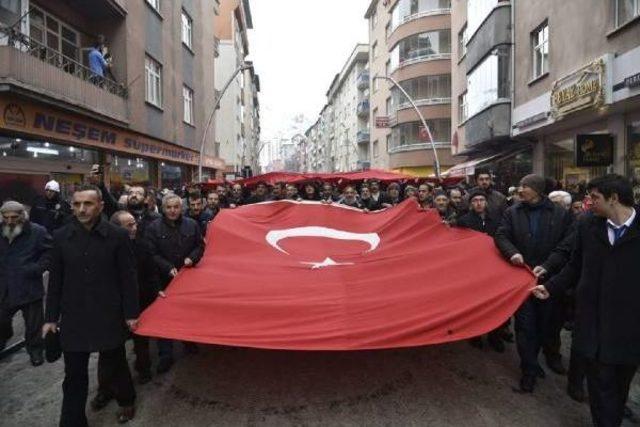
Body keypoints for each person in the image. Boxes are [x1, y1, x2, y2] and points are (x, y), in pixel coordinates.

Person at [532, 174, 640, 427]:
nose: (589, 202)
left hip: (630, 325)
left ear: (613, 198)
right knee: (600, 387)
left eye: (594, 197)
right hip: (593, 321)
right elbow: (575, 265)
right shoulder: (587, 225)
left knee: (621, 382)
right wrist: (550, 287)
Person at [43, 185, 139, 425]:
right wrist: (50, 318)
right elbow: (55, 282)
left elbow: (128, 279)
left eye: (87, 204)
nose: (81, 209)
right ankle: (72, 420)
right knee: (74, 374)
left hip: (109, 314)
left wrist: (131, 313)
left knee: (115, 363)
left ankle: (126, 401)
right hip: (74, 316)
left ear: (101, 206)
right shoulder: (61, 237)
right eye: (76, 204)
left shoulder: (117, 236)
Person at [494, 174, 573, 393]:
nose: (520, 190)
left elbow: (567, 245)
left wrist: (548, 265)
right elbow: (501, 236)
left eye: (524, 186)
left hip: (550, 282)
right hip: (522, 281)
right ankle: (528, 370)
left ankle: (536, 361)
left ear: (537, 190)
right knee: (525, 327)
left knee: (545, 326)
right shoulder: (512, 212)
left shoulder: (560, 215)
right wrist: (513, 254)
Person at [146, 194, 205, 374]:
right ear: (163, 208)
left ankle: (189, 340)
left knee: (188, 312)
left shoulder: (192, 225)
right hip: (163, 278)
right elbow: (151, 253)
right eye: (169, 207)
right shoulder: (153, 228)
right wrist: (167, 267)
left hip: (188, 277)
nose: (172, 210)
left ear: (181, 208)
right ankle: (166, 354)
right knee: (166, 316)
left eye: (176, 207)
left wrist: (191, 258)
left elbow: (200, 247)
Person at [109, 211, 159, 386]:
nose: (134, 228)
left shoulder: (142, 245)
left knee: (141, 339)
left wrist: (155, 292)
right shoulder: (107, 248)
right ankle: (107, 384)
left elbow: (151, 272)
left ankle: (143, 369)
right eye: (129, 225)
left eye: (135, 224)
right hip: (114, 302)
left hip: (141, 298)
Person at [0, 201, 52, 366]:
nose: (10, 221)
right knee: (1, 319)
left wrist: (37, 268)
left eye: (14, 217)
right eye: (6, 217)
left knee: (34, 324)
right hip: (5, 286)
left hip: (29, 285)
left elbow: (49, 253)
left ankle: (36, 350)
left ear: (22, 216)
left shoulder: (37, 231)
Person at [457, 191, 504, 352]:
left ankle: (495, 336)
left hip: (493, 267)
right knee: (475, 304)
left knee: (495, 304)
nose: (478, 203)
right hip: (473, 268)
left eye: (481, 200)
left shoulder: (497, 220)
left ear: (486, 202)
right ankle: (475, 334)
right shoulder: (463, 221)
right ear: (471, 204)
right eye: (475, 200)